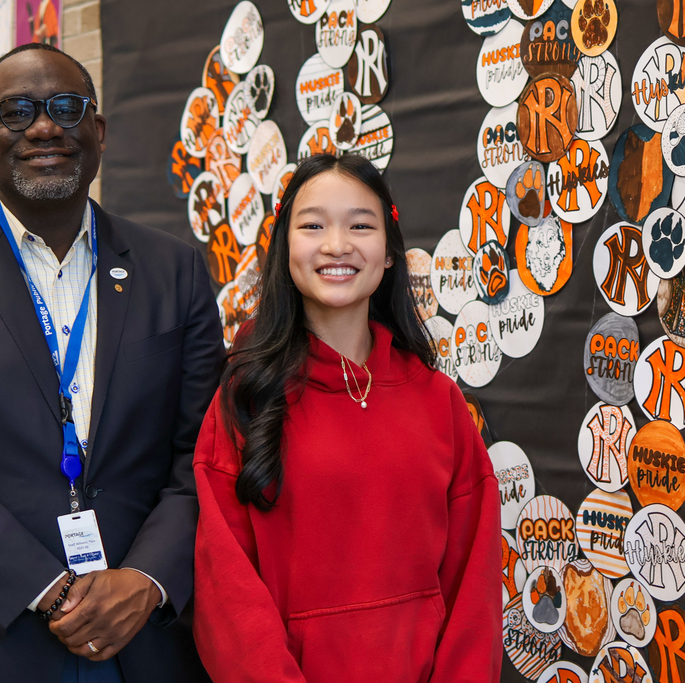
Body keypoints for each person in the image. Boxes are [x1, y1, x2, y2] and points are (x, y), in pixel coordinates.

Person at [0, 43, 222, 683]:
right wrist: (48, 589)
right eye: (17, 111)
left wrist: (146, 579)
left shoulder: (175, 270)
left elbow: (204, 453)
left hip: (141, 638)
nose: (45, 127)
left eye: (66, 108)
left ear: (98, 131)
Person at [193, 154, 502, 682]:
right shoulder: (245, 398)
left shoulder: (439, 401)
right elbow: (227, 591)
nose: (337, 245)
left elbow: (473, 588)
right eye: (313, 226)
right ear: (285, 247)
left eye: (361, 225)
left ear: (389, 252)